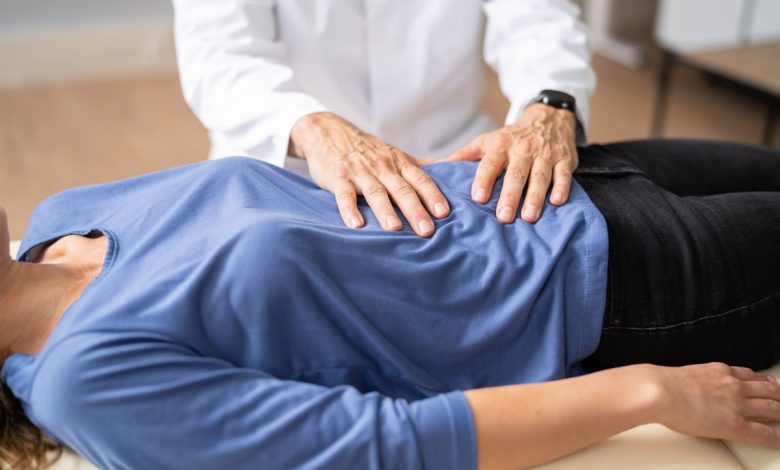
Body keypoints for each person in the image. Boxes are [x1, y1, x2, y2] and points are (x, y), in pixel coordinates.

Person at [1, 139, 780, 470]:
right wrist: (647, 392)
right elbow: (378, 448)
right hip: (613, 291)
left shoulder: (59, 217)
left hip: (550, 180)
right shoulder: (85, 381)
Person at [171, 0, 596, 236]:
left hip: (453, 160)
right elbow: (220, 54)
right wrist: (314, 131)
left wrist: (551, 102)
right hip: (286, 164)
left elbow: (539, 18)